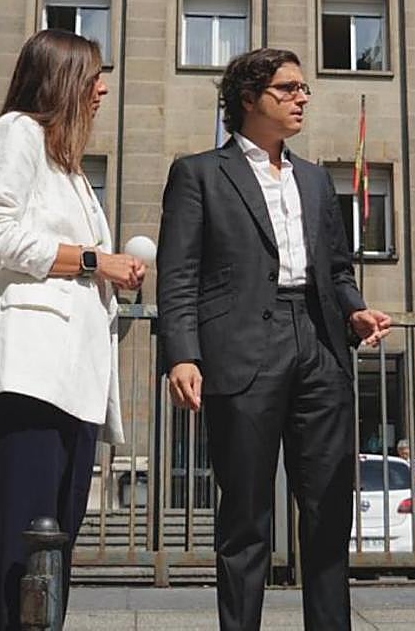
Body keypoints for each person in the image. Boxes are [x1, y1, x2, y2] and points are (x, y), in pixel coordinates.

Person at [158, 47, 392, 631]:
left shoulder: (314, 179)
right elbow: (178, 271)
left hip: (319, 343)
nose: (302, 98)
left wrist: (356, 311)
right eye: (287, 89)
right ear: (248, 99)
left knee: (328, 512)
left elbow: (337, 269)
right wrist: (181, 354)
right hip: (239, 349)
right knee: (244, 516)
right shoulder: (199, 174)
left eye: (304, 88)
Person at [0, 30, 147, 630]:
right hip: (29, 372)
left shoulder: (70, 170)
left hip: (72, 379)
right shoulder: (17, 132)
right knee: (21, 534)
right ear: (62, 79)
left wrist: (109, 273)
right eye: (93, 76)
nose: (103, 88)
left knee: (51, 542)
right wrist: (95, 260)